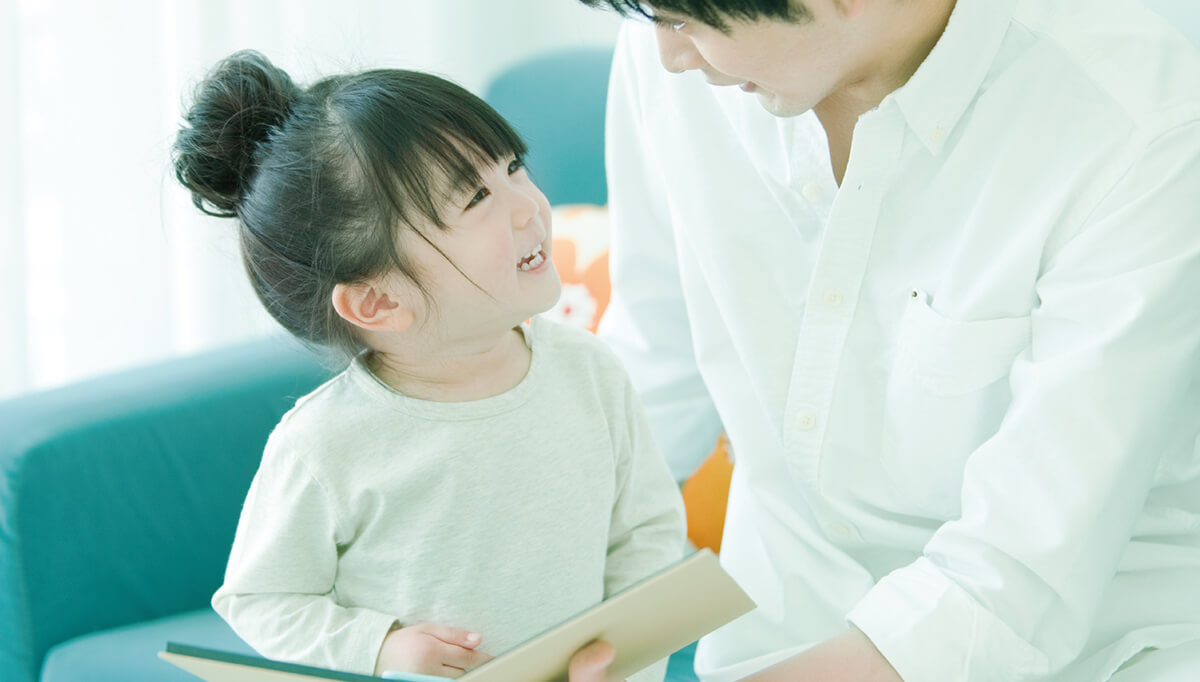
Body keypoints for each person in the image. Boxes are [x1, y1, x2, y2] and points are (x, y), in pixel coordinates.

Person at [565, 0, 1200, 680]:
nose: (668, 54)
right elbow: (652, 383)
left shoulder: (1142, 127)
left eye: (683, 21)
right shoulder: (672, 61)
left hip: (1106, 651)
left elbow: (1015, 583)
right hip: (777, 639)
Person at [172, 50, 685, 681]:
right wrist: (379, 647)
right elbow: (260, 600)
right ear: (379, 302)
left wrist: (627, 663)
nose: (528, 205)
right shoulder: (325, 443)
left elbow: (647, 534)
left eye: (513, 166)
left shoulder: (590, 373)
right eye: (475, 197)